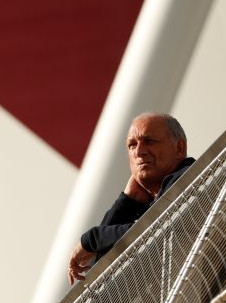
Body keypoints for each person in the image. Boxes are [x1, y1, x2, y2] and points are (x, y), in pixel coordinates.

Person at [68, 113, 195, 284]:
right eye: (132, 145)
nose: (140, 152)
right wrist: (127, 201)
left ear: (179, 148)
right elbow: (100, 264)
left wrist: (92, 239)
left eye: (149, 141)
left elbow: (156, 227)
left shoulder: (190, 177)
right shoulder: (156, 199)